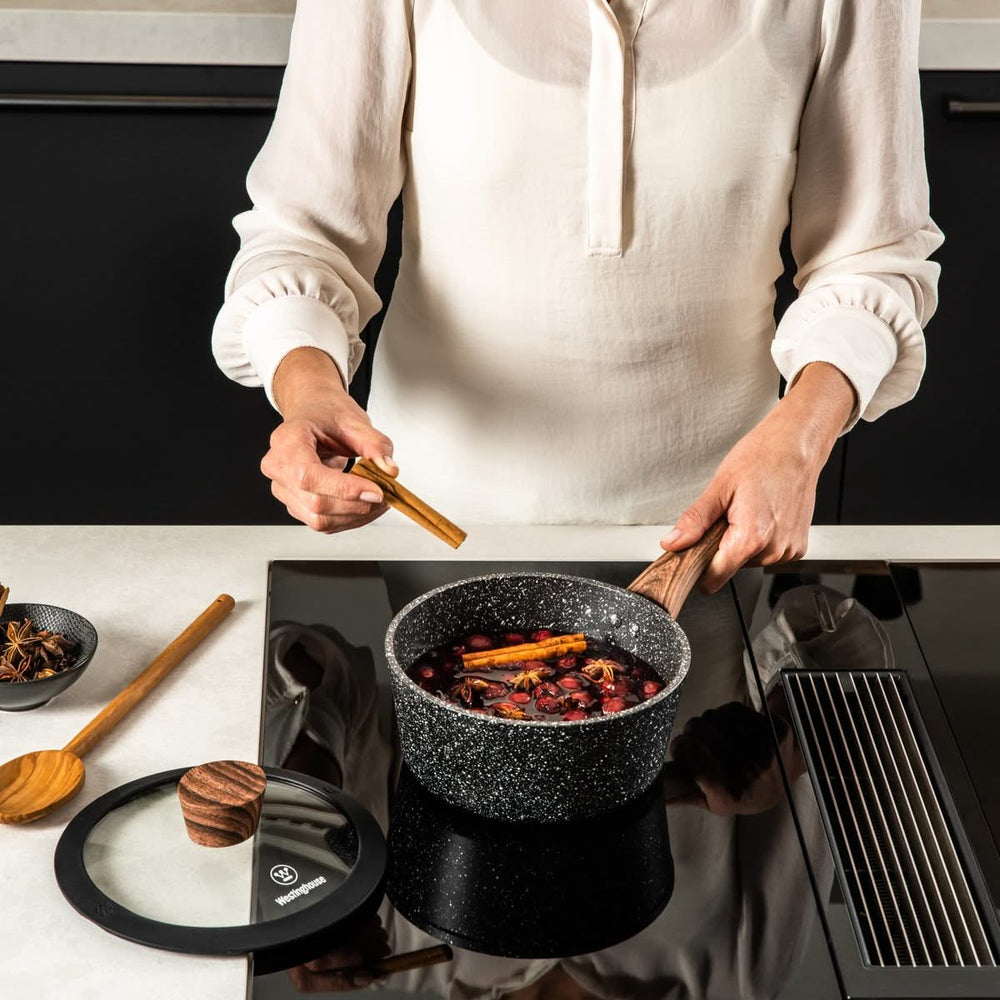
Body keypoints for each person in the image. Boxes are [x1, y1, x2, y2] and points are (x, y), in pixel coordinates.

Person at [212, 0, 940, 587]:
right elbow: (305, 234)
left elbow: (871, 257)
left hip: (711, 544)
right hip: (434, 532)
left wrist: (800, 442)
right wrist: (309, 393)